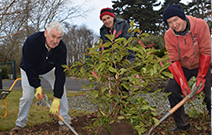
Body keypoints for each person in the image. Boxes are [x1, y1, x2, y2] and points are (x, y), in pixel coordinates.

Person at [10, 21, 72, 133]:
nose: (55, 41)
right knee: (28, 96)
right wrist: (37, 87)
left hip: (48, 70)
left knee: (61, 91)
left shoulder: (61, 48)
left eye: (59, 38)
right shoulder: (31, 41)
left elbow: (60, 73)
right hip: (28, 69)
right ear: (46, 33)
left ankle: (65, 121)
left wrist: (57, 98)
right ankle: (20, 124)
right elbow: (30, 67)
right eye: (53, 36)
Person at [163, 4, 211, 132]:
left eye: (176, 20)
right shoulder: (169, 35)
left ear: (183, 17)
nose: (174, 25)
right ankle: (182, 125)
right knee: (171, 89)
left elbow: (206, 51)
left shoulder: (200, 25)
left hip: (202, 63)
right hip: (183, 66)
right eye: (170, 22)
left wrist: (201, 77)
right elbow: (173, 60)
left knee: (210, 91)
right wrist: (183, 84)